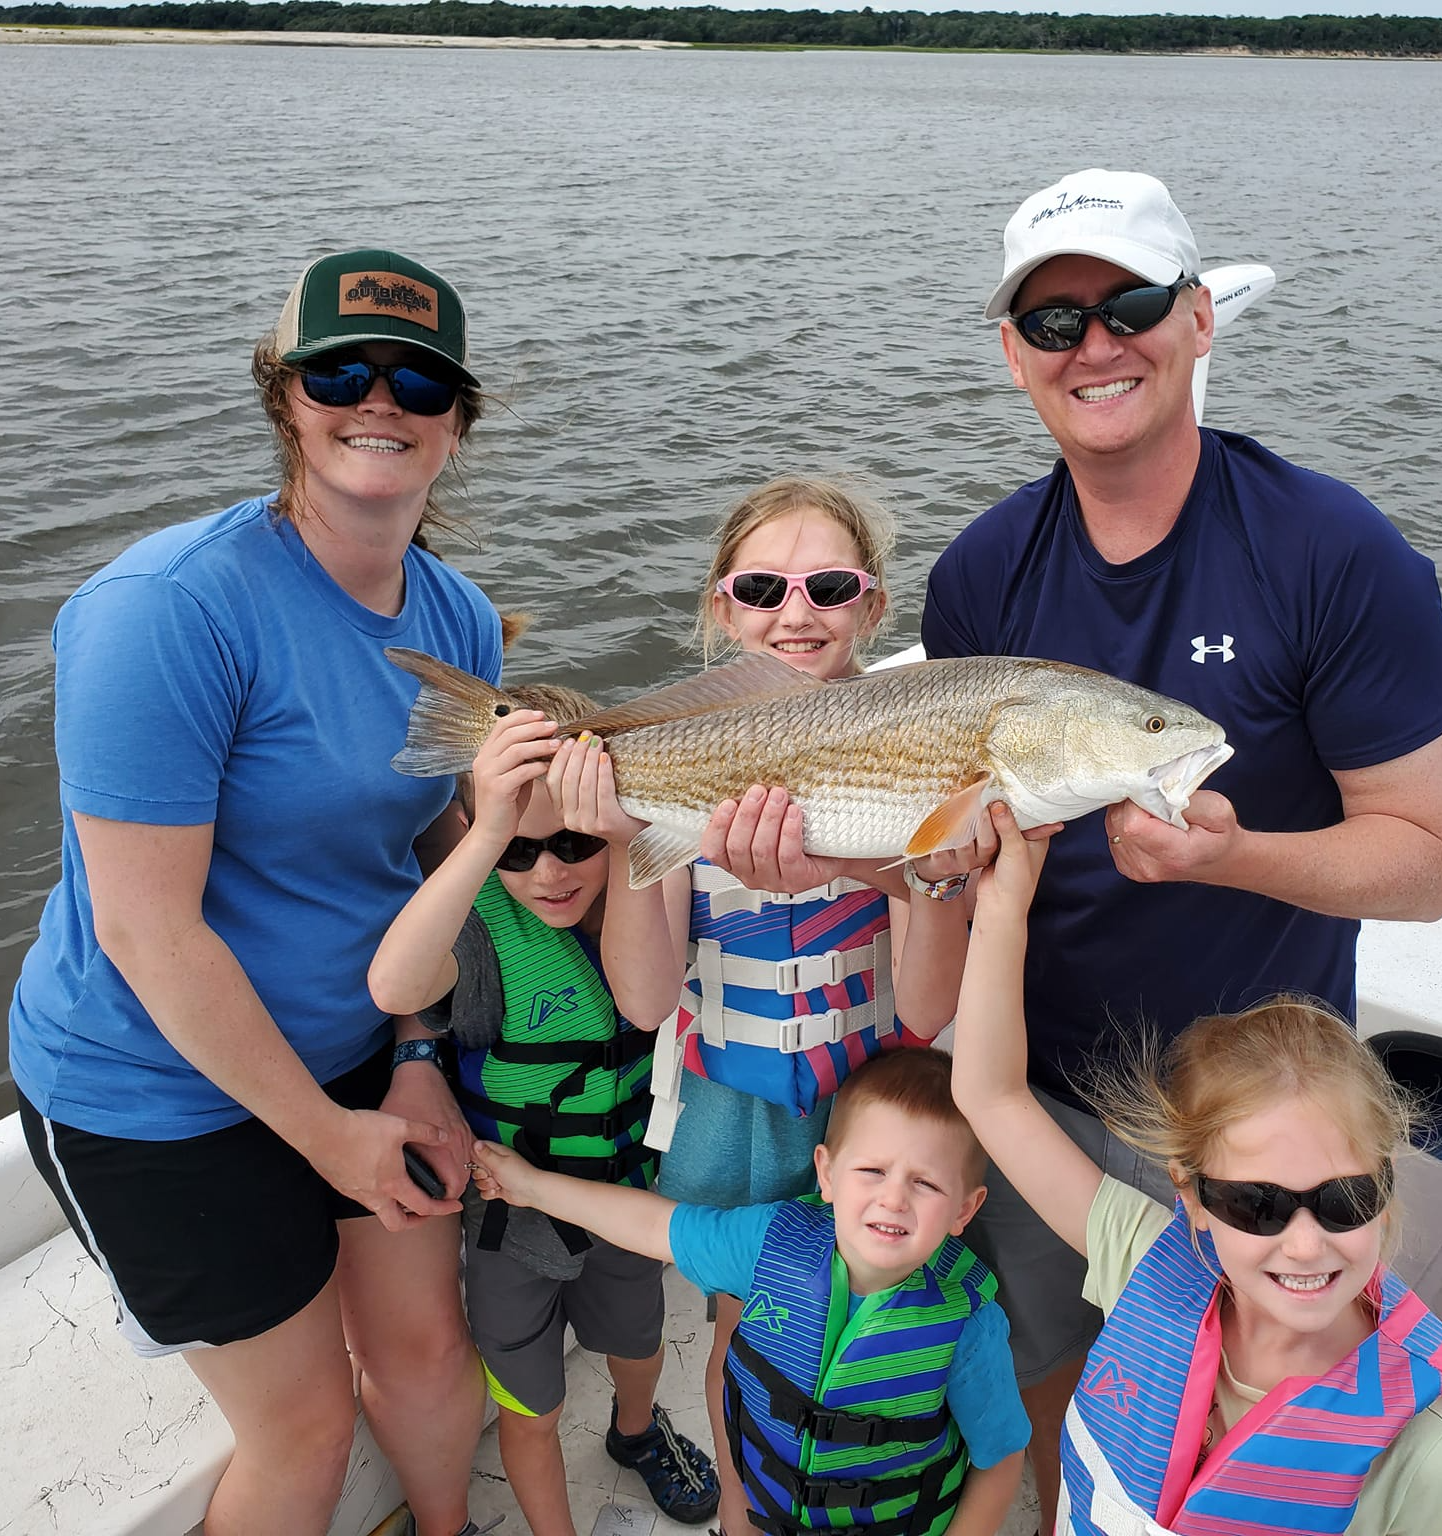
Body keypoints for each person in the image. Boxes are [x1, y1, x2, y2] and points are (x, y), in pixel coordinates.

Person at [920, 167, 1442, 1515]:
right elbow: (954, 829)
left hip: (1267, 1135)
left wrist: (1241, 855)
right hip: (1038, 1089)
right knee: (1058, 1374)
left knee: (1270, 1433)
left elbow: (1428, 861)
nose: (1095, 345)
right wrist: (927, 860)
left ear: (1201, 318)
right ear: (1012, 354)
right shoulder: (981, 572)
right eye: (1053, 323)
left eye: (1134, 304)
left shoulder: (1335, 555)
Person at [8, 249, 504, 1536]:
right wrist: (327, 1139)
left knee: (428, 1354)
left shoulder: (461, 623)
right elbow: (146, 931)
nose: (380, 401)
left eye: (420, 380)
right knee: (304, 1434)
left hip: (358, 1048)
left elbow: (424, 861)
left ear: (458, 421)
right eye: (341, 370)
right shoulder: (167, 611)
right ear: (285, 395)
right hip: (158, 1092)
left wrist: (415, 1055)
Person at [550, 474, 975, 1536]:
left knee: (871, 1324)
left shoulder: (925, 757)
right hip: (732, 1113)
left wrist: (916, 871)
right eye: (762, 588)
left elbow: (924, 1010)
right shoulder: (683, 764)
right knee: (747, 1331)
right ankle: (746, 1511)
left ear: (874, 607)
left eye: (831, 586)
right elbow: (646, 1001)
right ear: (721, 606)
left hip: (868, 1114)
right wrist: (616, 836)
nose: (797, 612)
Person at [950, 804, 1442, 1536]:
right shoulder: (1147, 1261)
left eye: (1344, 1199)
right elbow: (990, 1095)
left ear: (1384, 1193)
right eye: (1257, 1205)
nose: (1303, 1244)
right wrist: (1004, 901)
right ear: (1191, 1197)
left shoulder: (1422, 1462)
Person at [368, 691, 720, 1533]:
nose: (550, 872)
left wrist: (624, 838)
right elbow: (395, 987)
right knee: (530, 1408)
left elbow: (642, 1005)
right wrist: (486, 834)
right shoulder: (483, 936)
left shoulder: (647, 898)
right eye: (519, 852)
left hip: (624, 1195)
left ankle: (637, 1433)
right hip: (509, 1226)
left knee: (637, 1345)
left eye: (574, 842)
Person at [469, 1048, 1032, 1536]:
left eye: (925, 1183)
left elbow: (1001, 1457)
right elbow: (652, 1226)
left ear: (964, 1208)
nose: (893, 1199)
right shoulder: (767, 1244)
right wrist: (531, 1186)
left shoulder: (967, 1323)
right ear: (827, 1174)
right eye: (872, 1170)